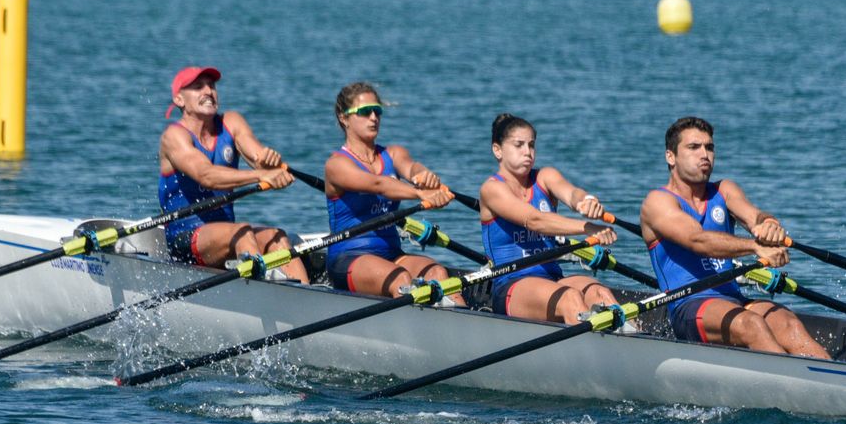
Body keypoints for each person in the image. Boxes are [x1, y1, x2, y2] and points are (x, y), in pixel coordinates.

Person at [640, 117, 830, 358]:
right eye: (693, 147)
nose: (704, 155)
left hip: (734, 300)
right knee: (751, 325)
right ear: (671, 157)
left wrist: (768, 226)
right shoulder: (658, 202)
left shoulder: (724, 190)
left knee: (787, 323)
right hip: (688, 306)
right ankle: (797, 389)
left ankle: (845, 387)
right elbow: (698, 241)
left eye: (709, 147)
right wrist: (755, 247)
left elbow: (754, 216)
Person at [158, 66, 308, 283]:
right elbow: (206, 175)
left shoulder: (231, 122)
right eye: (198, 87)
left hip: (228, 235)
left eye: (212, 86)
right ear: (179, 100)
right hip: (186, 236)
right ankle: (259, 294)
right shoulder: (174, 136)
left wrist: (269, 163)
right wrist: (260, 176)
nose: (208, 91)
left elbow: (257, 158)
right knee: (243, 232)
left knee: (277, 237)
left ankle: (306, 297)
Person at [322, 82, 462, 302]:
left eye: (377, 111)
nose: (373, 118)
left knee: (438, 273)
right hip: (348, 258)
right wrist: (420, 194)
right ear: (343, 117)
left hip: (392, 256)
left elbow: (411, 166)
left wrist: (424, 177)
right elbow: (377, 184)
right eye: (365, 112)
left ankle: (463, 326)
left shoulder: (393, 154)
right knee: (401, 279)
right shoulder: (337, 165)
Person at [478, 114, 620, 324]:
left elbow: (571, 194)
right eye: (519, 145)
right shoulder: (492, 189)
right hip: (513, 285)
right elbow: (535, 221)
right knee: (570, 298)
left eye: (531, 145)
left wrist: (586, 201)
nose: (528, 152)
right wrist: (587, 228)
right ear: (497, 150)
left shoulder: (545, 177)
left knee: (601, 294)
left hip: (553, 280)